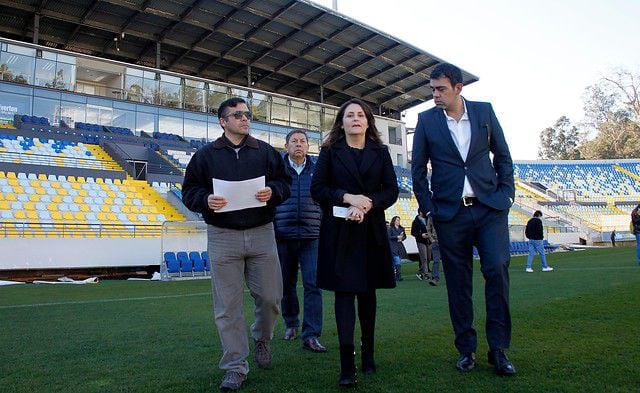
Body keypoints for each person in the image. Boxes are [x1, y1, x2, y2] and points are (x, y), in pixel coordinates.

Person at [411, 63, 516, 376]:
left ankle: (498, 350)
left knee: (497, 269)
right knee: (458, 284)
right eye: (432, 90)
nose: (435, 95)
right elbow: (417, 171)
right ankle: (467, 350)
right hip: (450, 213)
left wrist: (506, 195)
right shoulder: (426, 120)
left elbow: (504, 157)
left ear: (458, 88)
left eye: (441, 89)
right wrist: (429, 209)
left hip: (489, 209)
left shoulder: (484, 112)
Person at [181, 97, 292, 392]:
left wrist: (274, 191)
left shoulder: (266, 152)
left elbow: (285, 184)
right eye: (238, 115)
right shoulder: (205, 156)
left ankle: (261, 339)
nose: (245, 119)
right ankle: (234, 367)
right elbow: (189, 191)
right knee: (227, 306)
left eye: (247, 114)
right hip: (222, 235)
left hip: (262, 232)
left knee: (270, 299)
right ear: (223, 121)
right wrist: (205, 200)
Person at [311, 98, 399, 387]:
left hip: (371, 231)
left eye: (360, 114)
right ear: (342, 122)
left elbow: (391, 191)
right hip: (340, 233)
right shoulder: (330, 151)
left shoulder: (381, 152)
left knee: (368, 294)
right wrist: (349, 198)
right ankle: (347, 365)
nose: (355, 119)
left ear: (367, 121)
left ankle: (369, 354)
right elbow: (318, 189)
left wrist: (367, 204)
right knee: (344, 295)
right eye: (349, 115)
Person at [273, 129, 326, 353]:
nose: (298, 145)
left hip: (312, 236)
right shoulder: (276, 170)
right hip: (283, 234)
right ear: (286, 146)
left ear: (308, 146)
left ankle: (311, 334)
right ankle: (291, 323)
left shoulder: (319, 170)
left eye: (302, 141)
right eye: (294, 141)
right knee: (287, 284)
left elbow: (326, 199)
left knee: (313, 285)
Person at [411, 209, 431, 280]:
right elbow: (413, 232)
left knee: (428, 258)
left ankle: (420, 272)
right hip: (420, 241)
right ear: (420, 212)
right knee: (424, 258)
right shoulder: (415, 222)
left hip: (428, 240)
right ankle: (426, 274)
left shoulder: (427, 219)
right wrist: (421, 235)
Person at [388, 216, 407, 281]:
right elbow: (389, 237)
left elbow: (405, 237)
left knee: (395, 262)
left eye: (399, 220)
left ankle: (395, 277)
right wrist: (397, 237)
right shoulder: (390, 229)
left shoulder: (402, 228)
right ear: (394, 221)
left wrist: (402, 238)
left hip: (399, 246)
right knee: (397, 261)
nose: (398, 221)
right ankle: (399, 276)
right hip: (393, 246)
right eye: (397, 220)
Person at [425, 214, 442, 286]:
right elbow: (428, 229)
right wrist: (432, 240)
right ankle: (435, 278)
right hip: (436, 241)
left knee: (449, 261)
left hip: (447, 241)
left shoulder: (446, 211)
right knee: (436, 261)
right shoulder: (431, 216)